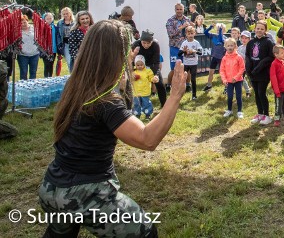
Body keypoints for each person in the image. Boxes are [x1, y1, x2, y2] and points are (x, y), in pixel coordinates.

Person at [38, 19, 188, 237]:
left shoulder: (76, 86)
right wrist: (174, 96)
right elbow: (147, 139)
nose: (130, 53)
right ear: (114, 54)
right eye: (126, 48)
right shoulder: (105, 101)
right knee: (145, 232)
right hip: (84, 192)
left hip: (52, 188)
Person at [245, 22, 275, 125]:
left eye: (262, 29)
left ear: (265, 30)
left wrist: (260, 66)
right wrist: (248, 68)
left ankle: (267, 115)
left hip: (263, 73)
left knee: (261, 93)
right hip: (253, 73)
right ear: (254, 29)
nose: (259, 30)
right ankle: (260, 114)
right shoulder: (251, 42)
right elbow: (248, 55)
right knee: (256, 94)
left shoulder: (268, 42)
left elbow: (271, 57)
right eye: (258, 28)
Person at [132, 30, 167, 107]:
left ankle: (164, 105)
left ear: (151, 42)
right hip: (138, 65)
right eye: (144, 43)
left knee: (160, 84)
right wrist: (132, 71)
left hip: (152, 64)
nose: (146, 45)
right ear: (141, 41)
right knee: (134, 84)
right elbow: (131, 60)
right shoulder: (136, 44)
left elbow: (156, 62)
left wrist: (156, 75)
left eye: (148, 43)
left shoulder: (155, 45)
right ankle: (133, 106)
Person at [165, 3, 192, 86]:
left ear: (183, 10)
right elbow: (171, 34)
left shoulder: (187, 19)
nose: (179, 11)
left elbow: (191, 31)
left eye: (181, 9)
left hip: (185, 47)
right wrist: (182, 27)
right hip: (175, 47)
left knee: (187, 67)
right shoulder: (170, 20)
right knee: (174, 68)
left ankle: (187, 84)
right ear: (175, 10)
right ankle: (169, 84)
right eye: (177, 9)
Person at [220, 38, 245, 118]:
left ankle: (240, 111)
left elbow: (242, 68)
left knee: (238, 96)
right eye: (228, 46)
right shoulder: (224, 58)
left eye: (231, 45)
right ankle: (229, 110)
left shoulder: (239, 57)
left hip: (238, 80)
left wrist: (236, 77)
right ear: (225, 47)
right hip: (228, 81)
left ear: (235, 46)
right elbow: (222, 70)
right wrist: (224, 80)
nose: (230, 47)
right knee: (230, 96)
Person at [179, 26, 203, 101]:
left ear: (194, 34)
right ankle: (180, 94)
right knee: (183, 79)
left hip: (193, 64)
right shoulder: (184, 43)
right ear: (186, 34)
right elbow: (179, 54)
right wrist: (184, 51)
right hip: (186, 64)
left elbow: (200, 52)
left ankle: (194, 95)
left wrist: (194, 51)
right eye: (188, 34)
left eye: (192, 33)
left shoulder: (196, 43)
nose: (190, 35)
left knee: (193, 79)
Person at [270, 44, 284, 126]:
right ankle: (277, 119)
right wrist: (276, 90)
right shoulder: (274, 64)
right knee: (278, 106)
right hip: (279, 90)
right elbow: (273, 78)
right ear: (276, 54)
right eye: (282, 53)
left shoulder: (282, 62)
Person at [132, 55, 158, 120]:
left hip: (145, 91)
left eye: (141, 64)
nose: (140, 66)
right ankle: (137, 114)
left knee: (146, 103)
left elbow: (151, 78)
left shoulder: (148, 71)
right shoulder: (134, 71)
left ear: (144, 64)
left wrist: (154, 79)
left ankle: (147, 114)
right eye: (138, 65)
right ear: (135, 64)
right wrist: (133, 77)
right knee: (136, 104)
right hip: (136, 92)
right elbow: (130, 79)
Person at [202, 22, 227, 92]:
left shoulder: (225, 38)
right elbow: (205, 32)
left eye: (221, 29)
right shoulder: (213, 36)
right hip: (215, 57)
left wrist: (220, 31)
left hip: (221, 58)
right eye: (217, 29)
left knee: (222, 73)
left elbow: (220, 39)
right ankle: (209, 85)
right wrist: (210, 27)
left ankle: (226, 87)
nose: (218, 31)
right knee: (211, 72)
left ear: (224, 31)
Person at [17, 16, 39, 80]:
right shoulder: (17, 31)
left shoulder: (34, 28)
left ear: (27, 21)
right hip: (22, 55)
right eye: (21, 23)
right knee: (23, 72)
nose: (23, 24)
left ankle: (32, 88)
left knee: (33, 72)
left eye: (24, 22)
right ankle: (23, 88)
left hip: (34, 54)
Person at [237, 30, 252, 96]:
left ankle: (253, 89)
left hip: (248, 66)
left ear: (249, 39)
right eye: (242, 38)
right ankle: (247, 91)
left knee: (251, 79)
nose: (244, 40)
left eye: (246, 38)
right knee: (241, 79)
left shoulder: (250, 47)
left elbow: (245, 57)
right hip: (241, 67)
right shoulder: (240, 47)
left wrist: (237, 52)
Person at [42, 12, 58, 78]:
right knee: (47, 64)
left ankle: (50, 77)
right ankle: (46, 78)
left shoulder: (55, 27)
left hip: (53, 49)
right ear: (44, 19)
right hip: (45, 50)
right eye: (47, 18)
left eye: (50, 18)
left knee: (51, 64)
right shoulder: (42, 27)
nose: (49, 20)